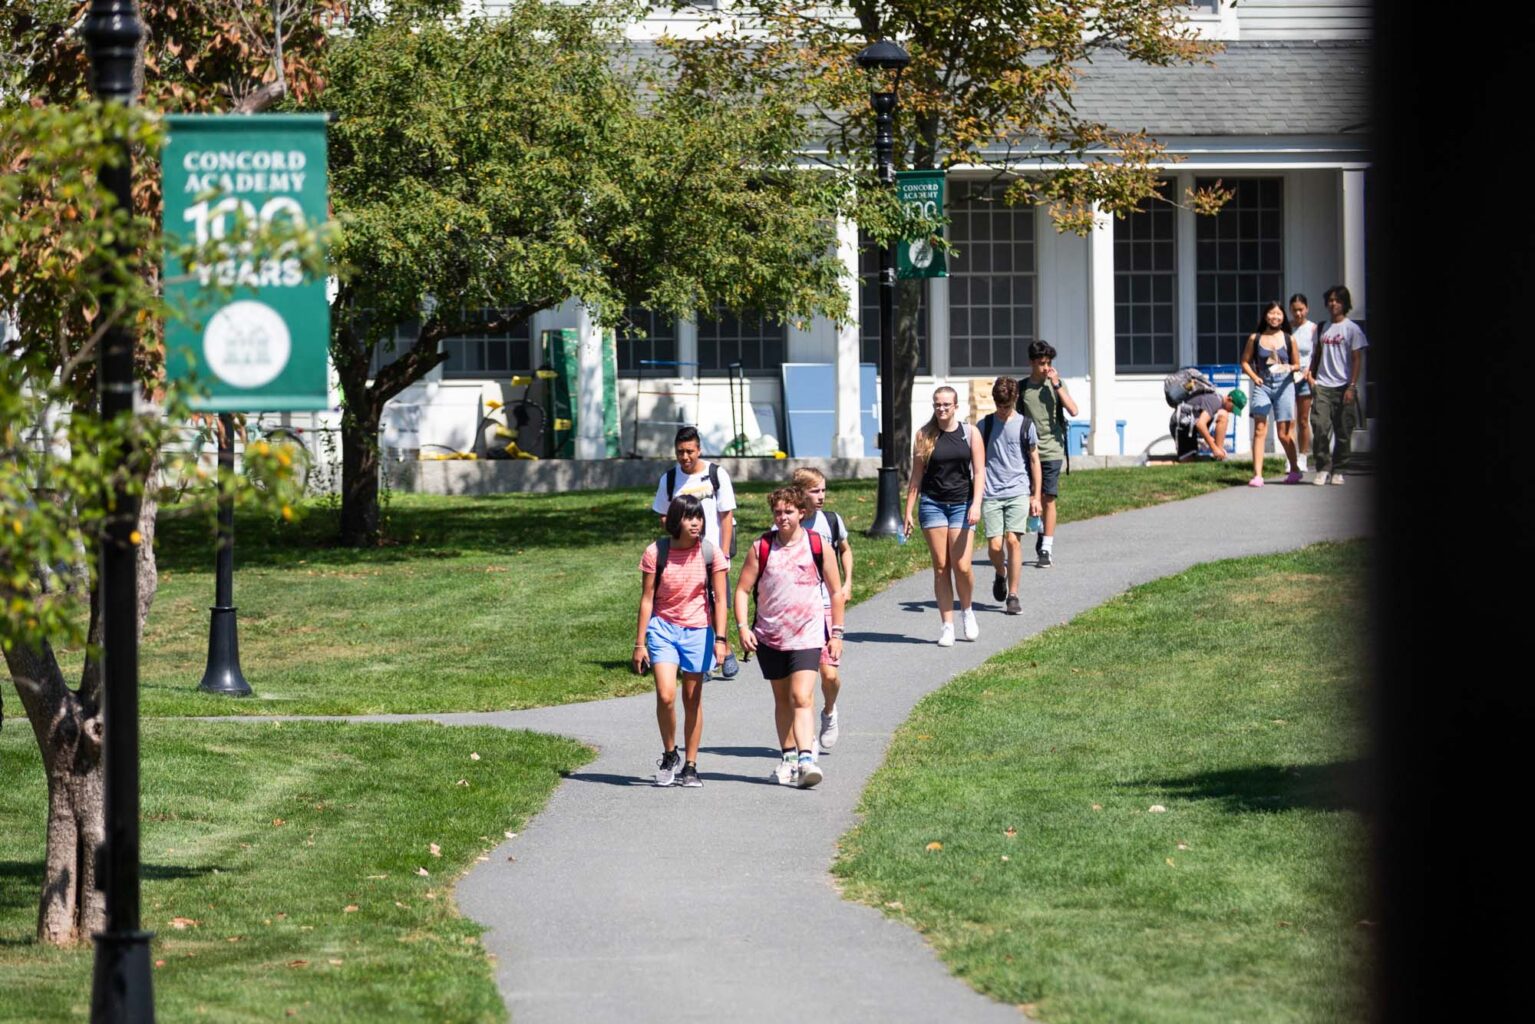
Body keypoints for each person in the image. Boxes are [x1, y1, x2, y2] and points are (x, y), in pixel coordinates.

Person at [734, 487, 845, 788]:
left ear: (801, 513)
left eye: (788, 512)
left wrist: (836, 632)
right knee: (782, 699)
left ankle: (806, 759)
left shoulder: (817, 545)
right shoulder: (761, 547)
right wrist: (743, 627)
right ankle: (788, 758)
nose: (782, 517)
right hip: (770, 636)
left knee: (802, 697)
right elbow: (743, 590)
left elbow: (836, 591)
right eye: (778, 512)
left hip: (808, 634)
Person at [634, 494, 730, 788]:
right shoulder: (656, 552)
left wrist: (721, 639)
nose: (696, 522)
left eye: (699, 516)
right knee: (666, 695)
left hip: (699, 631)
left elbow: (720, 599)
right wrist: (640, 643)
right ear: (676, 521)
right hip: (663, 629)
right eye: (690, 517)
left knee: (692, 699)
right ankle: (668, 754)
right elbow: (647, 598)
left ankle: (690, 764)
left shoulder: (710, 552)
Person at [651, 426, 738, 674]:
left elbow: (726, 515)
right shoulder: (668, 479)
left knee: (716, 601)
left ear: (699, 450)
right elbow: (664, 516)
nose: (685, 457)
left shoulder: (716, 474)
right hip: (684, 554)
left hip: (712, 552)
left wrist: (723, 553)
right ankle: (710, 657)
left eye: (690, 451)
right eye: (680, 452)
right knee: (694, 604)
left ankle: (720, 646)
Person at [903, 385, 985, 646]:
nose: (941, 409)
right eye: (938, 404)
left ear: (956, 406)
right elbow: (916, 476)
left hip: (962, 504)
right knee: (941, 566)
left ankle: (968, 611)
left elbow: (980, 472)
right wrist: (908, 512)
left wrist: (976, 504)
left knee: (962, 566)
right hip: (933, 504)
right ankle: (947, 625)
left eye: (946, 405)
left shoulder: (970, 433)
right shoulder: (924, 435)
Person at [790, 467, 853, 751]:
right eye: (815, 491)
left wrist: (847, 582)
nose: (821, 496)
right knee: (806, 678)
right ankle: (809, 738)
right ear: (800, 494)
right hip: (800, 610)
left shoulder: (831, 521)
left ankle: (830, 710)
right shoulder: (790, 523)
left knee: (829, 675)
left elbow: (845, 550)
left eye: (823, 490)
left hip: (828, 605)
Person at [977, 377, 1041, 616]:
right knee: (994, 547)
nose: (1002, 411)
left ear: (1015, 400)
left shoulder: (1026, 425)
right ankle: (1000, 574)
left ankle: (1013, 595)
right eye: (999, 406)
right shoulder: (985, 426)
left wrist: (1035, 496)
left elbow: (1034, 461)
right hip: (992, 492)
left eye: (1007, 406)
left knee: (1012, 541)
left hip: (1018, 491)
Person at [1019, 341, 1078, 568]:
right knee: (1032, 497)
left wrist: (1056, 385)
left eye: (1049, 363)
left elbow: (1073, 410)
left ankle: (1046, 548)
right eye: (1041, 363)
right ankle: (1041, 528)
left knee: (1048, 498)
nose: (1045, 368)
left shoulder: (1057, 385)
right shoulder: (1023, 389)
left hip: (1053, 448)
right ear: (1032, 363)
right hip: (1029, 451)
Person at [1306, 285, 1369, 485]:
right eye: (1331, 300)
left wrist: (1352, 386)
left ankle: (1339, 469)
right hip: (1323, 385)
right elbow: (1316, 354)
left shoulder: (1352, 329)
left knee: (1343, 432)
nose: (1333, 303)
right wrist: (1310, 375)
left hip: (1343, 386)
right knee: (1320, 426)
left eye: (1338, 300)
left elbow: (1357, 359)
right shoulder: (1322, 327)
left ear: (1345, 303)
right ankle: (1323, 466)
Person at [1240, 301, 1303, 486]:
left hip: (1285, 385)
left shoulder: (1289, 339)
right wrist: (1254, 377)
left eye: (1278, 314)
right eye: (1271, 313)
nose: (1275, 317)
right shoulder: (1255, 338)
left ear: (1283, 317)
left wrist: (1288, 367)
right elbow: (1244, 362)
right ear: (1266, 316)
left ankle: (1295, 468)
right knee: (1260, 429)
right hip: (1263, 385)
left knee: (1283, 433)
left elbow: (1298, 364)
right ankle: (1258, 475)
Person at [1288, 294, 1318, 472]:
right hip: (1288, 378)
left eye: (1301, 309)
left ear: (1306, 309)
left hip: (1305, 378)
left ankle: (1303, 457)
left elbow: (1315, 354)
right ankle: (1290, 456)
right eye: (1294, 310)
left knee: (1303, 420)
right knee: (1288, 420)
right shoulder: (1287, 329)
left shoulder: (1313, 329)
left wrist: (1309, 372)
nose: (1298, 313)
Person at [1172, 388, 1245, 461]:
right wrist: (1214, 448)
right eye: (1233, 408)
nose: (1232, 411)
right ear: (1229, 399)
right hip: (1181, 425)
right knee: (1186, 460)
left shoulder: (1217, 402)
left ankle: (1219, 455)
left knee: (1192, 459)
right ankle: (1217, 453)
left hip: (1190, 426)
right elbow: (1200, 425)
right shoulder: (1215, 401)